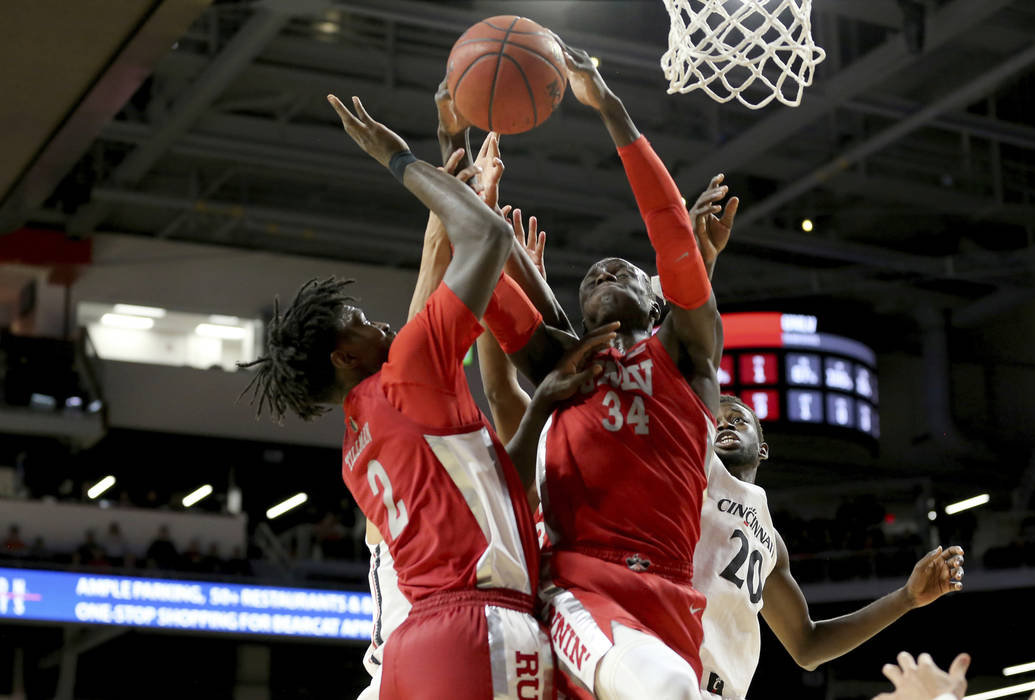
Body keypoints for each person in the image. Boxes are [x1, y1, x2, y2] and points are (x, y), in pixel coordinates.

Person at [239, 92, 617, 700]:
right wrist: (402, 160)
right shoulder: (408, 372)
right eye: (360, 319)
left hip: (414, 647)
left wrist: (542, 401)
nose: (379, 323)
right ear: (345, 357)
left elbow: (502, 488)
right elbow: (479, 245)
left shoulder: (357, 444)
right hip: (478, 626)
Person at [496, 39, 731, 700]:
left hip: (672, 598)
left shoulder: (686, 358)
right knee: (664, 691)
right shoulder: (563, 365)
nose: (601, 270)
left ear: (657, 301)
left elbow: (672, 231)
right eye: (591, 275)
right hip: (580, 586)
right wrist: (475, 215)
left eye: (622, 269)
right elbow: (484, 296)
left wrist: (611, 108)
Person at [695, 395, 966, 699]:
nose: (724, 424)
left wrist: (906, 598)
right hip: (660, 667)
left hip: (721, 691)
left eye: (737, 419)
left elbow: (808, 646)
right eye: (714, 421)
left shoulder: (771, 540)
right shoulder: (691, 480)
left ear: (763, 450)